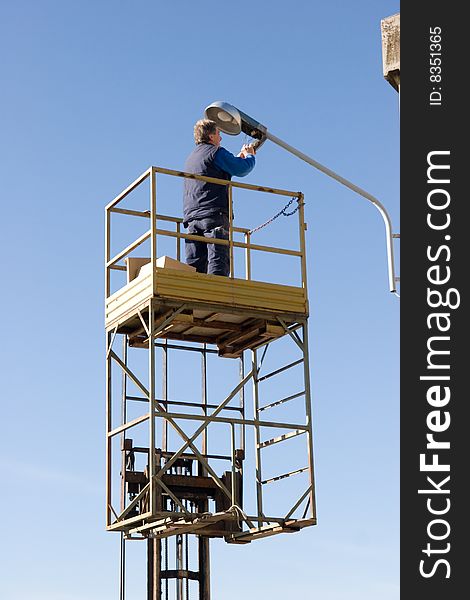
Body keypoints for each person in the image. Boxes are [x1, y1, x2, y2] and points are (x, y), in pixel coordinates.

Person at [183, 119, 256, 276]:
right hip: (213, 214)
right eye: (218, 133)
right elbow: (241, 169)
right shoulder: (215, 152)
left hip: (192, 219)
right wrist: (250, 157)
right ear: (211, 137)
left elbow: (220, 168)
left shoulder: (191, 159)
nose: (220, 138)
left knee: (195, 265)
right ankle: (216, 294)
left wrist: (238, 157)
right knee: (218, 260)